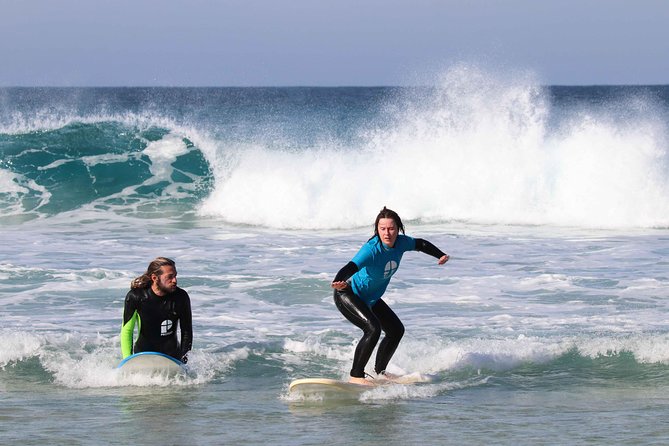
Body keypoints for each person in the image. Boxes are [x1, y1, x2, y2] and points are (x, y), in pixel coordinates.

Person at [331, 207, 449, 385]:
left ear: (398, 228)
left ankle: (380, 372)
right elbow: (350, 267)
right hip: (348, 294)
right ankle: (356, 375)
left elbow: (421, 244)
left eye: (391, 228)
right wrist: (339, 281)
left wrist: (440, 255)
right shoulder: (371, 250)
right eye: (382, 228)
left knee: (396, 330)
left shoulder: (402, 243)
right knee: (373, 329)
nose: (387, 233)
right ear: (377, 230)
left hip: (371, 297)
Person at [121, 257, 193, 363]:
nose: (175, 280)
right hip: (143, 356)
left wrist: (183, 360)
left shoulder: (181, 297)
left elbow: (186, 331)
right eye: (170, 277)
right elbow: (127, 331)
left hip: (172, 358)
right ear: (155, 278)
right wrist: (127, 361)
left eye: (175, 275)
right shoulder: (136, 297)